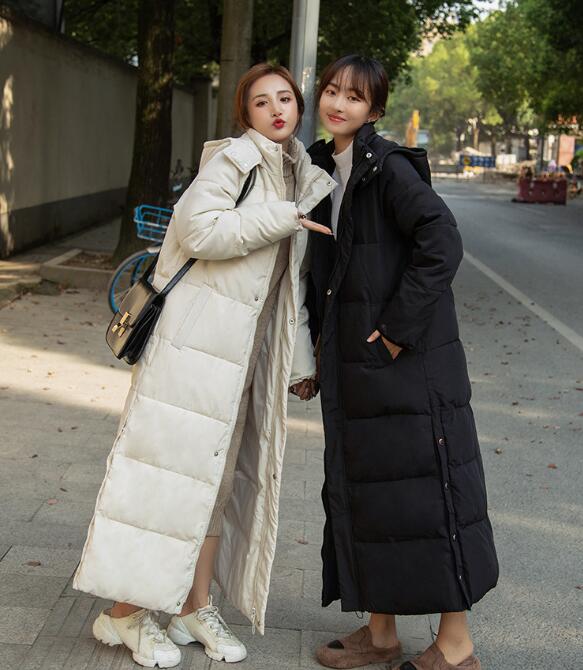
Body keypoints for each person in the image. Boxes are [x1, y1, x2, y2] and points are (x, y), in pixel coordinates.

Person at [73, 62, 335, 668]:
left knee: (215, 486)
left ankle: (194, 606)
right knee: (165, 482)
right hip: (192, 353)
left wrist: (299, 361)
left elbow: (289, 285)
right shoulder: (234, 161)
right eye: (262, 101)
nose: (276, 109)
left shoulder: (298, 172)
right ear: (245, 114)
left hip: (240, 361)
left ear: (299, 108)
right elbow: (197, 232)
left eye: (285, 98)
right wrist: (281, 216)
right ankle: (125, 614)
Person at [305, 55, 499, 670]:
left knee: (431, 498)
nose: (338, 103)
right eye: (331, 90)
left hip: (411, 366)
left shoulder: (387, 167)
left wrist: (393, 331)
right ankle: (382, 634)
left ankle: (457, 646)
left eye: (354, 96)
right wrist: (315, 352)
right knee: (373, 497)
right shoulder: (322, 166)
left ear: (375, 109)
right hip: (359, 367)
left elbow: (442, 241)